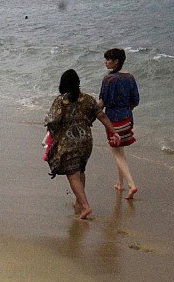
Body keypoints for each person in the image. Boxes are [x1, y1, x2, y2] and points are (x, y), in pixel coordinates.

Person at [45, 68, 120, 219]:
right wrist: (114, 132)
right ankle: (79, 202)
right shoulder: (88, 99)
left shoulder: (61, 101)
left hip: (68, 142)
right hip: (86, 141)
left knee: (72, 174)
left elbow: (52, 120)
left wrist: (51, 134)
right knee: (80, 170)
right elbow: (102, 115)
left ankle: (85, 206)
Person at [99, 48, 139, 200]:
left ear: (116, 62)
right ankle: (119, 183)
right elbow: (135, 100)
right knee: (120, 150)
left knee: (117, 153)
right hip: (127, 118)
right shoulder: (130, 77)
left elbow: (102, 102)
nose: (106, 62)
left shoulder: (108, 80)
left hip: (113, 120)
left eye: (108, 60)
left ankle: (131, 184)